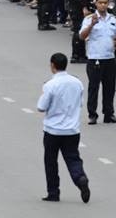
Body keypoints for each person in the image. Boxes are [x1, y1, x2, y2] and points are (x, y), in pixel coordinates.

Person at [36, 52, 90, 204]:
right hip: (72, 130)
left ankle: (53, 192)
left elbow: (41, 107)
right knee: (73, 158)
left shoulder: (50, 85)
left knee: (51, 161)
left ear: (53, 65)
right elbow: (80, 103)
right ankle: (80, 178)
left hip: (52, 130)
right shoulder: (77, 82)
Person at [79, 0, 116, 125]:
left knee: (109, 88)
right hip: (95, 58)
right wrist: (91, 25)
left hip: (109, 57)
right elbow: (82, 36)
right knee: (94, 87)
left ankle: (109, 114)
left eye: (105, 3)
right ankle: (92, 114)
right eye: (101, 3)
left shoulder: (112, 19)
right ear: (96, 3)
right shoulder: (89, 19)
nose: (103, 5)